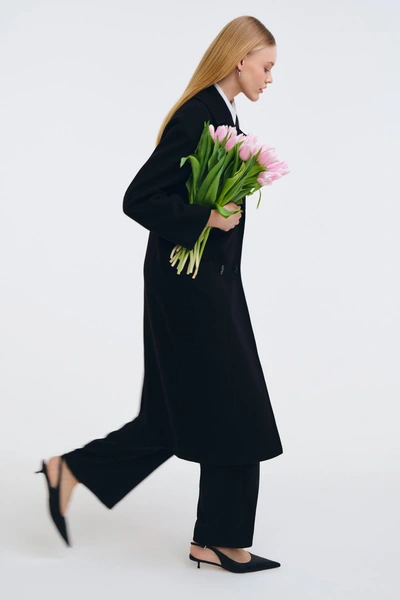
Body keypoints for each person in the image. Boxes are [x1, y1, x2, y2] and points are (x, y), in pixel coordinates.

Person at [35, 15, 284, 574]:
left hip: (209, 284)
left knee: (171, 416)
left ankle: (74, 472)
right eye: (267, 67)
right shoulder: (198, 116)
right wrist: (207, 218)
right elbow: (139, 198)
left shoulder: (224, 116)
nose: (270, 79)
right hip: (190, 289)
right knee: (235, 406)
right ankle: (220, 540)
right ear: (240, 59)